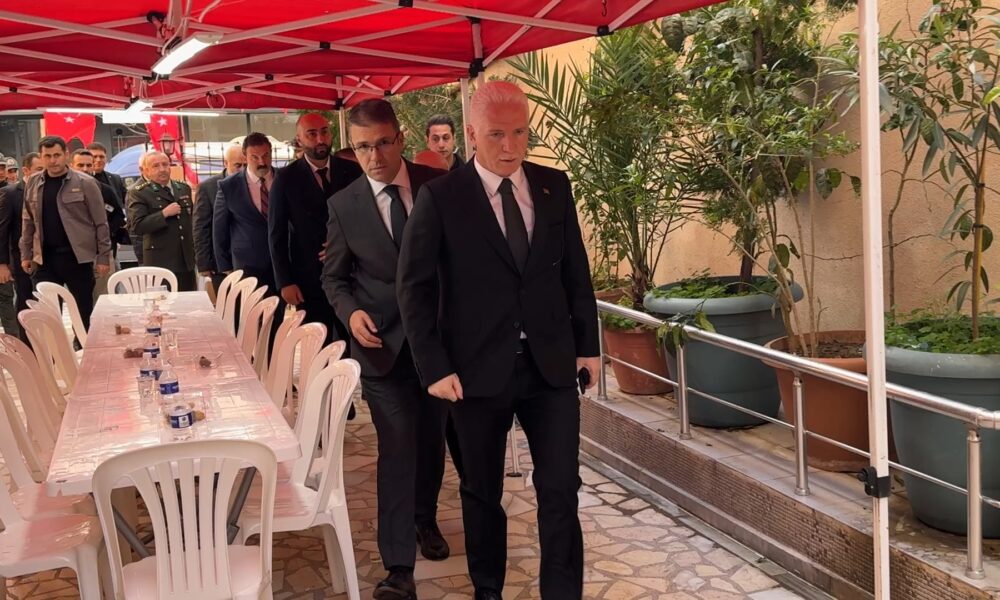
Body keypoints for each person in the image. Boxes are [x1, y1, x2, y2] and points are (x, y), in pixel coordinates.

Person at [397, 82, 600, 599]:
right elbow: (414, 288)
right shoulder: (441, 197)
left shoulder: (553, 186)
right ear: (471, 134)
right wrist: (434, 367)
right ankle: (488, 590)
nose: (510, 147)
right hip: (474, 371)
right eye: (496, 135)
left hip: (550, 366)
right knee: (482, 491)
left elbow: (575, 272)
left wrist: (588, 345)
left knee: (561, 488)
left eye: (519, 132)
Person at [322, 99, 450, 600]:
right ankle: (399, 568)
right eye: (362, 147)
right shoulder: (344, 204)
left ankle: (425, 519)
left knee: (432, 442)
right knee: (397, 449)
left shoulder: (438, 186)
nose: (373, 156)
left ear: (399, 138)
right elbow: (334, 278)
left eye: (381, 143)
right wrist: (350, 313)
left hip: (436, 347)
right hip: (381, 350)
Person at [269, 113, 362, 344]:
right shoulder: (285, 178)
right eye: (312, 134)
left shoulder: (353, 171)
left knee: (355, 340)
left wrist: (342, 245)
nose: (320, 139)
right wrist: (285, 281)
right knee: (317, 343)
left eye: (324, 132)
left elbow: (366, 220)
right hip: (308, 278)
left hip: (352, 274)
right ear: (299, 139)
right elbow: (276, 233)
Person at [20, 136, 112, 332]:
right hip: (44, 258)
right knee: (48, 314)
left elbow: (101, 222)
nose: (53, 160)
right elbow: (27, 220)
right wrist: (26, 253)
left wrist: (103, 257)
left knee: (83, 311)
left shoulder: (86, 182)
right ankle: (54, 350)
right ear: (41, 157)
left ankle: (84, 346)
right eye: (48, 156)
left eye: (57, 155)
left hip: (77, 257)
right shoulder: (34, 182)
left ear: (66, 155)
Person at [214, 133, 279, 316]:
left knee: (278, 316)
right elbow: (219, 229)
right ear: (245, 156)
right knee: (250, 317)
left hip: (283, 262)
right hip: (247, 264)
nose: (261, 162)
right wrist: (225, 266)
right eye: (255, 157)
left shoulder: (285, 178)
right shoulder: (228, 186)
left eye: (265, 155)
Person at [126, 151, 197, 291]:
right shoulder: (139, 192)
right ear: (145, 170)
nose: (162, 169)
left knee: (188, 299)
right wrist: (163, 214)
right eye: (156, 166)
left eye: (165, 164)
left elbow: (191, 221)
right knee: (162, 301)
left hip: (185, 259)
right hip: (160, 260)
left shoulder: (183, 188)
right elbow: (138, 226)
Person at [70, 149, 126, 302]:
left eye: (89, 165)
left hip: (102, 251)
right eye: (80, 165)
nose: (85, 169)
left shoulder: (105, 190)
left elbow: (119, 216)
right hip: (75, 254)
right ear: (72, 166)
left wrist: (105, 232)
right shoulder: (63, 191)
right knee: (80, 301)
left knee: (105, 299)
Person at [0, 152, 43, 341]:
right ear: (26, 170)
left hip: (47, 258)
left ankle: (46, 346)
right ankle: (25, 346)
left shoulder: (47, 189)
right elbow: (2, 231)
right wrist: (2, 264)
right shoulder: (10, 193)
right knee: (24, 303)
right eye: (39, 169)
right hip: (21, 259)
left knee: (46, 303)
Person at [195, 144, 244, 294]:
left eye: (246, 165)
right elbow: (201, 227)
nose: (242, 170)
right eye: (238, 165)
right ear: (226, 163)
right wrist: (204, 263)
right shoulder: (208, 187)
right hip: (221, 261)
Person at [87, 142, 134, 265]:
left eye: (101, 156)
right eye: (94, 156)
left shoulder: (115, 179)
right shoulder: (83, 181)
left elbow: (126, 202)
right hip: (90, 238)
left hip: (113, 236)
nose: (98, 160)